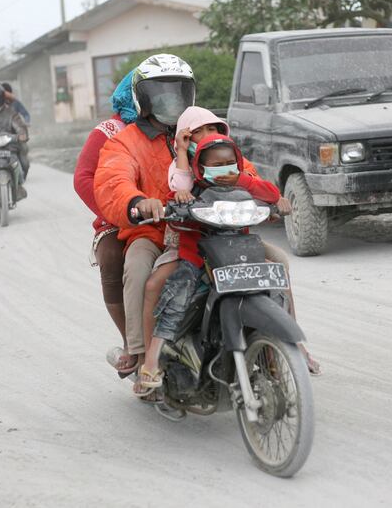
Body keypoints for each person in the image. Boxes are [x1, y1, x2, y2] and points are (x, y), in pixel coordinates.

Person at [133, 132, 282, 397]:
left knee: (275, 287)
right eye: (215, 165)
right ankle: (152, 361)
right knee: (176, 297)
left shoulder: (244, 186)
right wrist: (179, 199)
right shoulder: (192, 189)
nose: (224, 168)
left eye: (229, 163)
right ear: (200, 167)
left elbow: (271, 194)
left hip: (240, 255)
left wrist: (243, 179)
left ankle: (286, 352)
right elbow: (174, 194)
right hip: (198, 259)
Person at [93, 54, 196, 378]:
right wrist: (138, 202)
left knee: (272, 260)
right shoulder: (124, 142)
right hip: (151, 232)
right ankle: (138, 352)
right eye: (159, 92)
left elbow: (236, 164)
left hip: (203, 228)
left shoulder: (201, 131)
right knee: (136, 271)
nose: (170, 100)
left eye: (177, 91)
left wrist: (266, 194)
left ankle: (283, 347)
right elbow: (113, 181)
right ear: (142, 96)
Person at [73, 69, 138, 374]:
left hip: (170, 213)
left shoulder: (181, 126)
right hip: (120, 217)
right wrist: (117, 211)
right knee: (112, 257)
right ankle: (131, 344)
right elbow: (84, 177)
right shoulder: (110, 130)